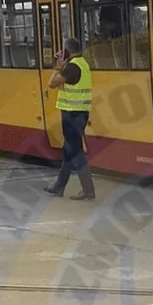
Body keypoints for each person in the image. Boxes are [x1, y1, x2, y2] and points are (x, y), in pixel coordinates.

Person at [45, 36, 96, 200]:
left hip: (72, 113)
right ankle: (59, 187)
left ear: (67, 51)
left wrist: (58, 67)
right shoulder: (83, 64)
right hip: (80, 112)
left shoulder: (72, 68)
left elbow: (52, 83)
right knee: (69, 149)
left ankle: (88, 190)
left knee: (75, 150)